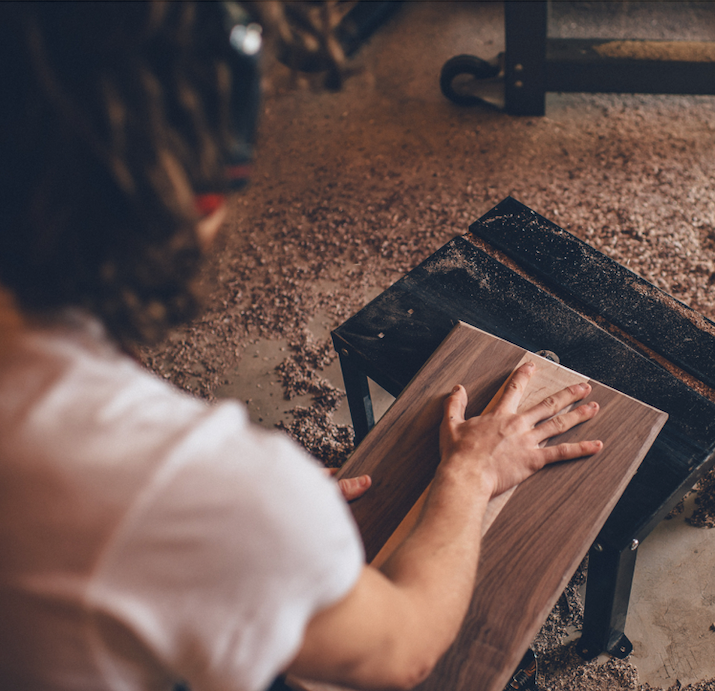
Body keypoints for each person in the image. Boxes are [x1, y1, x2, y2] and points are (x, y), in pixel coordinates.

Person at [0, 3, 603, 690]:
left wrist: (239, 531)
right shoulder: (184, 492)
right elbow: (404, 650)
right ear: (199, 190)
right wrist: (470, 475)